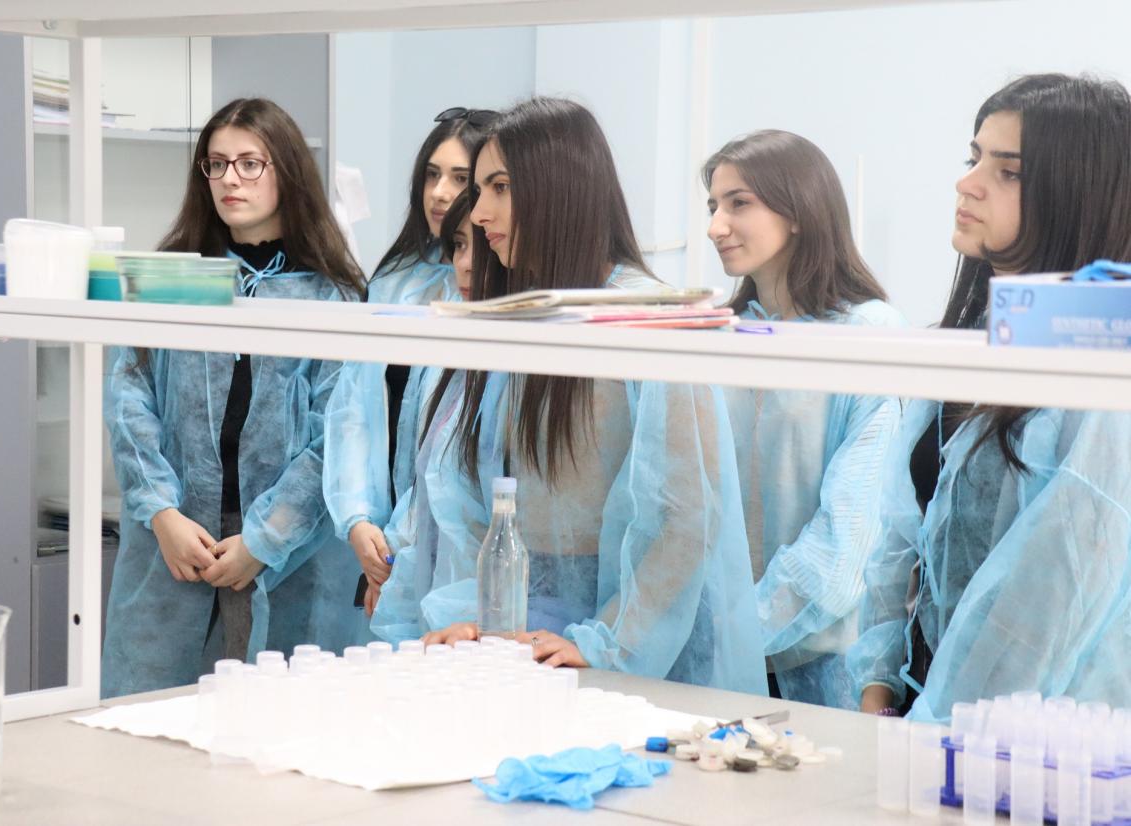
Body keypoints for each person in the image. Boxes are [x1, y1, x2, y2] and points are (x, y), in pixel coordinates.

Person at [371, 97, 766, 694]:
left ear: (561, 188)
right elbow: (468, 504)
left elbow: (687, 519)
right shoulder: (524, 317)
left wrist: (607, 642)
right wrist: (482, 620)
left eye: (500, 188)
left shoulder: (646, 320)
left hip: (628, 654)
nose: (479, 213)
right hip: (523, 645)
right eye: (479, 191)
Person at [849, 74, 1131, 722]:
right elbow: (901, 536)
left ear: (1077, 196)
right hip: (920, 715)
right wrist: (878, 686)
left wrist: (938, 732)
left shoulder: (1101, 383)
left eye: (1008, 172)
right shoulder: (969, 343)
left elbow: (1044, 607)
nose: (967, 183)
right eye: (973, 158)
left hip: (1025, 739)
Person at [102, 98, 367, 697]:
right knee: (152, 716)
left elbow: (337, 433)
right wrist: (163, 514)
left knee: (275, 719)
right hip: (176, 539)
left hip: (286, 550)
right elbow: (127, 399)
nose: (230, 179)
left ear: (287, 172)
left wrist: (266, 539)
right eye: (216, 164)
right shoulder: (170, 277)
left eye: (250, 164)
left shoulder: (334, 296)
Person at [702, 130, 907, 708]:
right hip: (712, 657)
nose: (716, 226)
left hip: (820, 668)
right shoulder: (720, 335)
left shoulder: (867, 335)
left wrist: (735, 633)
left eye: (739, 203)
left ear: (798, 211)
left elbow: (849, 534)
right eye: (713, 206)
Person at [323, 110, 490, 612]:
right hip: (375, 542)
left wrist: (402, 543)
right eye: (432, 175)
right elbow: (352, 411)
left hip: (453, 548)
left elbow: (453, 454)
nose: (439, 192)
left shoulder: (489, 295)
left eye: (459, 178)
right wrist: (358, 519)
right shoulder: (394, 281)